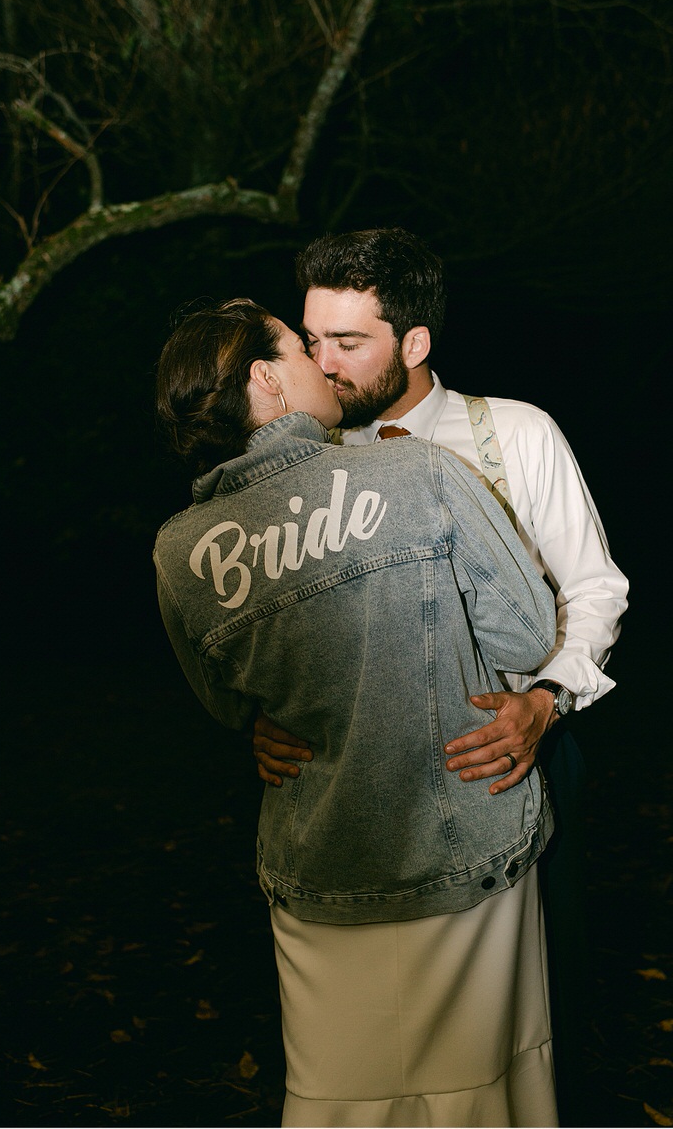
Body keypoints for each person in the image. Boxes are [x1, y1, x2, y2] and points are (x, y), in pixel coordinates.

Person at [153, 296, 560, 1127]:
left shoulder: (179, 548)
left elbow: (231, 705)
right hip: (464, 846)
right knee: (482, 1095)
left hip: (319, 871)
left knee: (342, 1104)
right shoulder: (418, 472)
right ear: (268, 379)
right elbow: (526, 636)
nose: (322, 360)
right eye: (301, 348)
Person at [253, 228, 630, 1123]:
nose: (324, 363)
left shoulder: (516, 433)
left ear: (414, 344)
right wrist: (264, 714)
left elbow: (593, 587)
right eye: (313, 340)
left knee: (514, 1033)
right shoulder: (306, 459)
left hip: (506, 760)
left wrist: (546, 701)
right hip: (350, 797)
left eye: (350, 343)